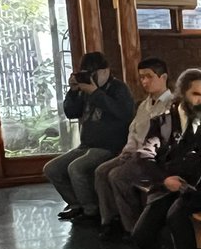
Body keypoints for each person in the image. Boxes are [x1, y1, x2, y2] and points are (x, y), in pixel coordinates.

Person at [131, 69, 201, 249]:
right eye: (196, 95)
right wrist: (165, 179)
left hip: (199, 188)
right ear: (182, 94)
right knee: (141, 234)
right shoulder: (162, 123)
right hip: (169, 185)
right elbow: (143, 156)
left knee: (176, 215)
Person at [45, 51, 136, 224]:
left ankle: (91, 211)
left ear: (105, 71)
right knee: (52, 168)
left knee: (76, 168)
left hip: (110, 146)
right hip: (86, 145)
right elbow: (71, 112)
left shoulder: (118, 88)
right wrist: (73, 91)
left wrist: (95, 92)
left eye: (93, 73)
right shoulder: (86, 89)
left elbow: (123, 114)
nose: (91, 77)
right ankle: (76, 205)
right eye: (87, 73)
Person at [93, 57, 174, 239]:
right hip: (134, 152)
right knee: (101, 171)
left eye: (149, 76)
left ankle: (134, 227)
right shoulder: (144, 105)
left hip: (152, 157)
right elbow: (133, 131)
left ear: (163, 77)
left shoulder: (171, 104)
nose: (144, 81)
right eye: (142, 77)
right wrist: (127, 150)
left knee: (117, 176)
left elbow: (163, 139)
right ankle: (110, 220)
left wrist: (138, 153)